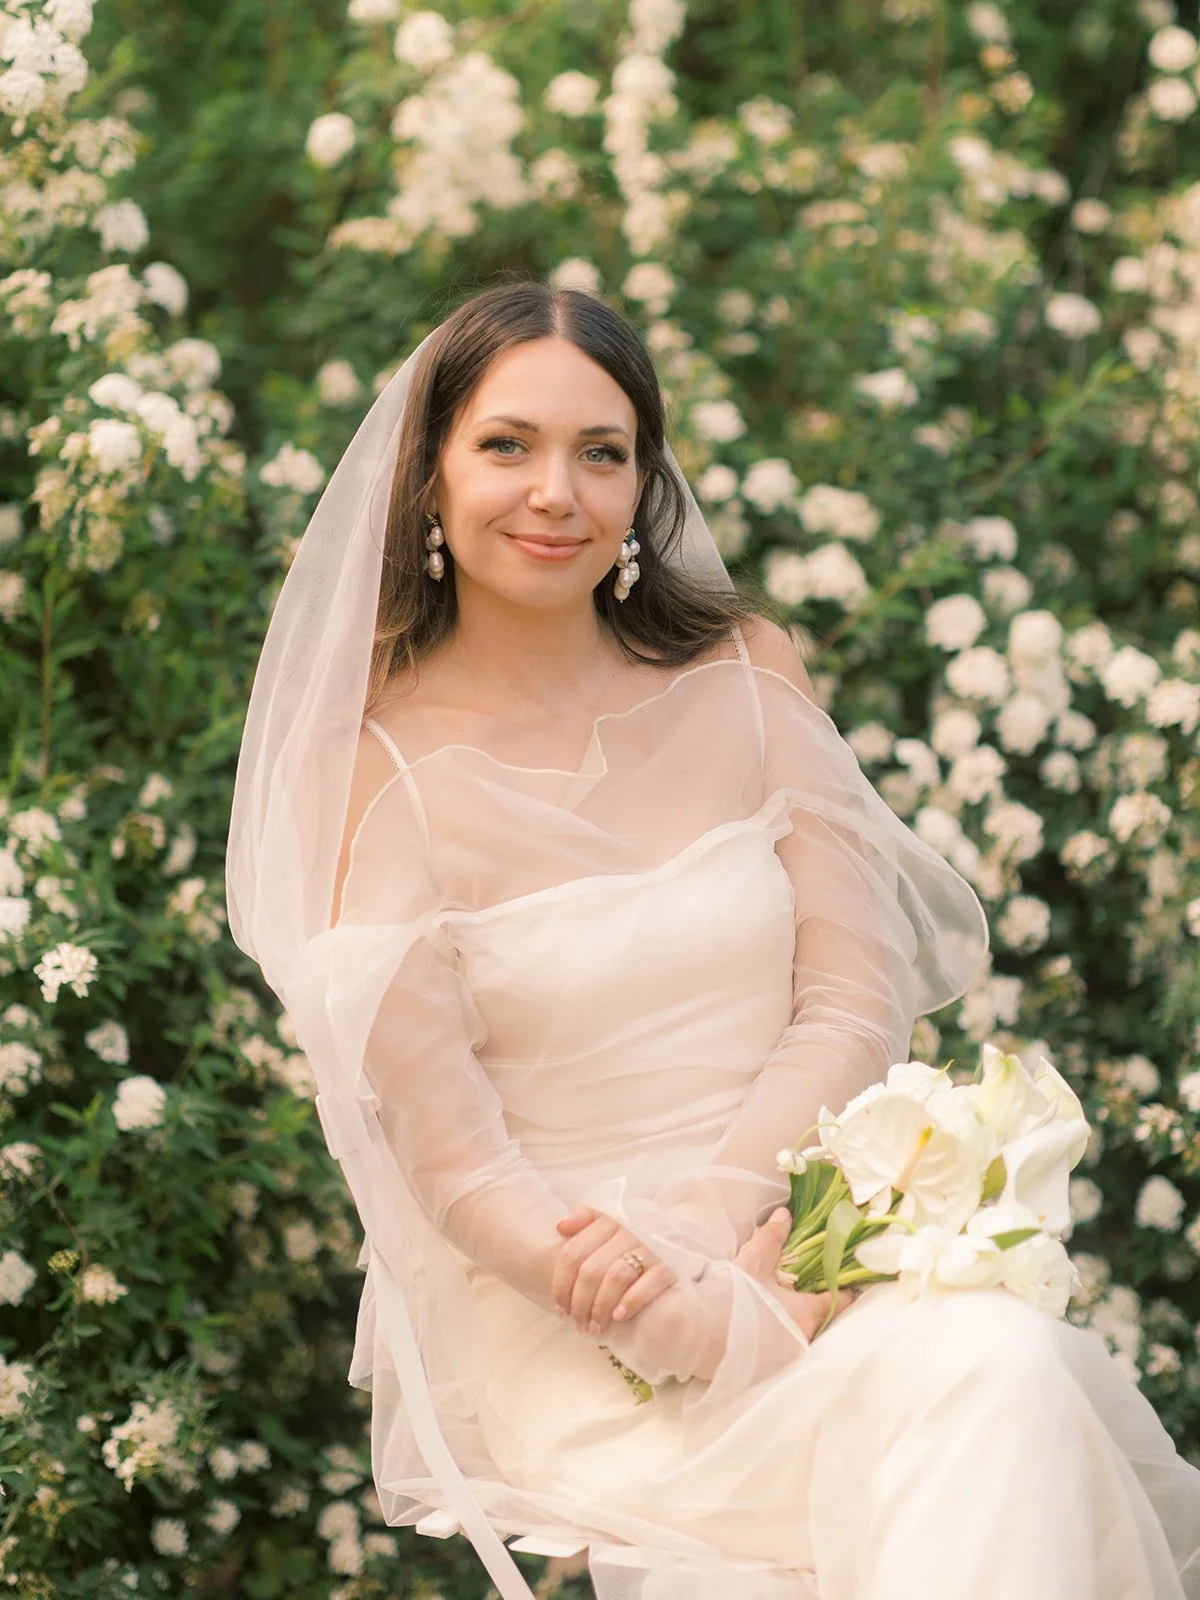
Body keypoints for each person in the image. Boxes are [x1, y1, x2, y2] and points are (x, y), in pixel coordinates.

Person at [226, 281, 1200, 1600]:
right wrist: (630, 1287)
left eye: (602, 450)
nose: (555, 491)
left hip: (802, 1247)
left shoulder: (742, 675)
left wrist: (734, 1240)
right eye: (507, 445)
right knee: (1004, 1386)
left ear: (643, 482)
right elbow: (447, 1155)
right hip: (586, 1326)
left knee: (1007, 1369)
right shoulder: (368, 774)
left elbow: (852, 1001)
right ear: (430, 477)